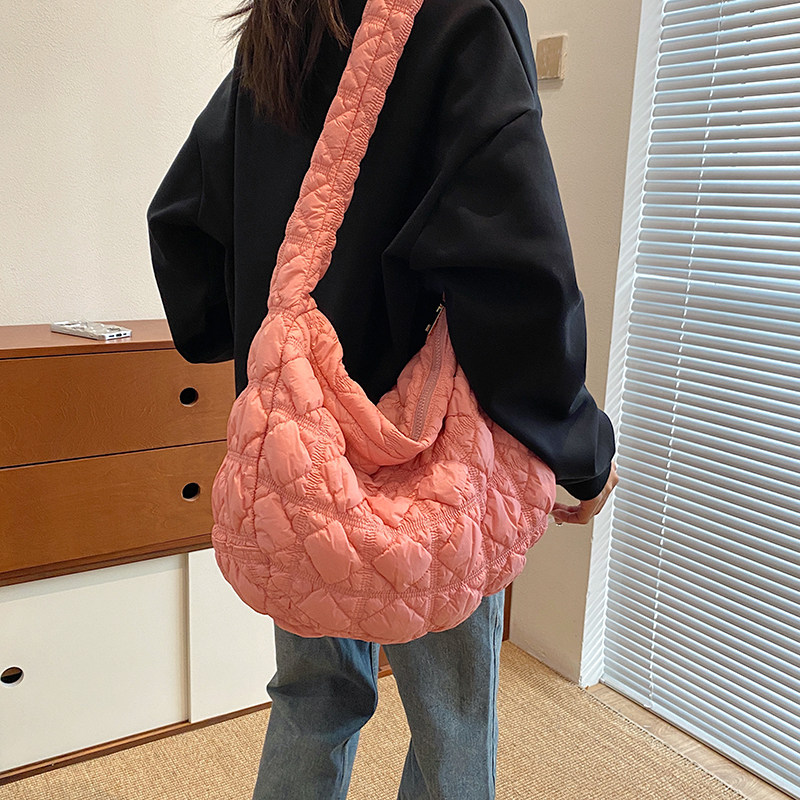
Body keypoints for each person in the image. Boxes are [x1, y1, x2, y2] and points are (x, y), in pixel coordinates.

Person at [147, 0, 618, 796]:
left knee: (312, 699)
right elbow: (514, 274)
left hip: (298, 463)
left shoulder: (287, 20)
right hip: (429, 462)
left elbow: (180, 219)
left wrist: (264, 346)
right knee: (451, 720)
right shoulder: (464, 14)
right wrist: (579, 447)